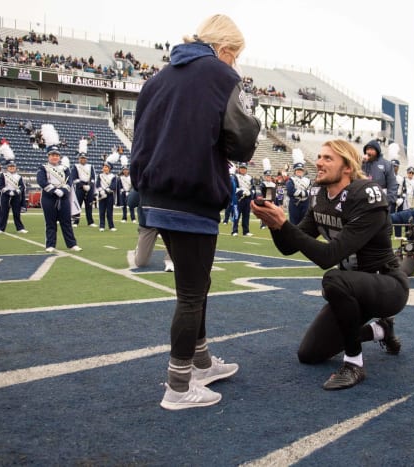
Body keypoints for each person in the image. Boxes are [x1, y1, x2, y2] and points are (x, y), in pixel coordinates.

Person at [129, 14, 261, 410]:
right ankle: (179, 387)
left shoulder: (157, 78)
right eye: (234, 56)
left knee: (195, 286)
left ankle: (200, 363)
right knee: (191, 293)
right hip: (191, 195)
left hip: (155, 193)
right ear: (224, 50)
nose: (235, 64)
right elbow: (241, 141)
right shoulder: (221, 77)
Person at [251, 139, 409, 391]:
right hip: (352, 288)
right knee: (310, 353)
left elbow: (328, 257)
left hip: (386, 285)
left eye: (327, 158)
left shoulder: (365, 195)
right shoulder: (321, 196)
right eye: (320, 156)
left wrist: (285, 225)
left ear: (347, 167)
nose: (319, 163)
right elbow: (289, 246)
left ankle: (354, 364)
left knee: (333, 279)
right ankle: (381, 330)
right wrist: (275, 224)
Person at [37, 144, 82, 253]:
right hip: (49, 198)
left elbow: (69, 181)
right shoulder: (43, 168)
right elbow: (41, 181)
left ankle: (72, 244)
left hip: (63, 197)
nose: (55, 157)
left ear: (59, 157)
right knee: (50, 222)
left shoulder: (65, 169)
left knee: (66, 222)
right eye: (52, 155)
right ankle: (50, 244)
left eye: (57, 155)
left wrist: (63, 191)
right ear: (48, 156)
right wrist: (54, 190)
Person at [127, 189, 174, 272]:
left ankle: (170, 260)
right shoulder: (143, 179)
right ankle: (139, 249)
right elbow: (131, 202)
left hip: (167, 222)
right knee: (141, 263)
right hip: (147, 224)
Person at [361, 139, 398, 209]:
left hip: (380, 204)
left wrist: (387, 202)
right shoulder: (361, 163)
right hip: (363, 204)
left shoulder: (387, 165)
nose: (368, 152)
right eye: (367, 149)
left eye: (371, 149)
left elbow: (392, 185)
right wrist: (360, 162)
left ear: (377, 151)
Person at [0, 161, 28, 234]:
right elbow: (0, 186)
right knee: (4, 212)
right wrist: (8, 192)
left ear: (15, 168)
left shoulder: (19, 176)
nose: (11, 168)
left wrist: (16, 191)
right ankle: (1, 228)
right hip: (5, 195)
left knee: (16, 213)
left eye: (13, 167)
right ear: (7, 168)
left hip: (16, 196)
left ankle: (20, 228)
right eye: (10, 167)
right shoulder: (3, 175)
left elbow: (22, 186)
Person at [70, 153, 96, 227]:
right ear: (79, 159)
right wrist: (82, 185)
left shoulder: (90, 166)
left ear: (86, 159)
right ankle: (75, 222)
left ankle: (90, 222)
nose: (83, 159)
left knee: (89, 205)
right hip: (80, 188)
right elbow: (74, 178)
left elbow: (93, 178)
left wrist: (90, 185)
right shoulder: (76, 166)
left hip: (89, 187)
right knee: (78, 205)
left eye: (84, 158)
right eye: (81, 158)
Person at [286, 159, 311, 225]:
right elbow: (291, 191)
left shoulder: (307, 180)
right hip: (294, 203)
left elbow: (310, 191)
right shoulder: (291, 180)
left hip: (305, 203)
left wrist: (300, 193)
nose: (299, 171)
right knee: (294, 223)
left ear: (303, 171)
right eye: (298, 170)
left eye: (301, 170)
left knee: (304, 223)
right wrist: (304, 193)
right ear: (295, 171)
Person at [232, 162, 253, 236]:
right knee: (236, 215)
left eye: (244, 168)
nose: (243, 170)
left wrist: (250, 192)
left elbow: (252, 187)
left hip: (247, 198)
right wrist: (241, 192)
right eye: (241, 168)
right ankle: (234, 231)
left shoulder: (250, 177)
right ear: (239, 169)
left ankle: (246, 231)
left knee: (246, 215)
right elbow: (234, 187)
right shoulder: (236, 176)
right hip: (239, 198)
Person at [96, 161, 117, 232]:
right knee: (101, 211)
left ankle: (111, 226)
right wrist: (101, 191)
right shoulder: (100, 175)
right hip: (101, 195)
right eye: (104, 167)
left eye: (106, 167)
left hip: (109, 195)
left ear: (109, 168)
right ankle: (102, 226)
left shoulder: (113, 176)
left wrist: (106, 191)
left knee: (109, 211)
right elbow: (97, 184)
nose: (104, 168)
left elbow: (113, 186)